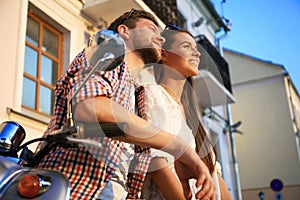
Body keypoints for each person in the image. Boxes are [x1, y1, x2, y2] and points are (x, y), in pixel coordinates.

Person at [36, 9, 215, 200]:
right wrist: (181, 148)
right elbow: (91, 109)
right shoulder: (108, 55)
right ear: (124, 31)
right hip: (74, 186)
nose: (160, 39)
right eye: (151, 29)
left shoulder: (137, 94)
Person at [139, 27, 233, 200]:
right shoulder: (153, 94)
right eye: (186, 46)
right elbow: (157, 164)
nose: (196, 54)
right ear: (164, 54)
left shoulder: (190, 111)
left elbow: (214, 175)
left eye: (196, 49)